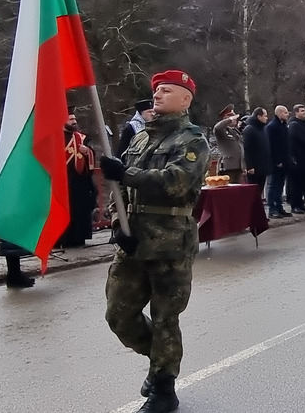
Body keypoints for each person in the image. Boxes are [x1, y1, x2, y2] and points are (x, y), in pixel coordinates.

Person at [99, 70, 210, 413]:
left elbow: (175, 182)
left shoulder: (193, 140)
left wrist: (124, 172)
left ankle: (164, 385)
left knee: (165, 317)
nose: (157, 95)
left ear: (185, 98)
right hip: (133, 240)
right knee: (118, 314)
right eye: (156, 90)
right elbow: (119, 192)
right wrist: (118, 224)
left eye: (166, 90)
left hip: (169, 242)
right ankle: (162, 358)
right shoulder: (140, 139)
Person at [58, 109, 97, 248]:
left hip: (79, 182)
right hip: (61, 182)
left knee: (79, 211)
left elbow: (92, 154)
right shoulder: (55, 137)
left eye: (75, 119)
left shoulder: (82, 138)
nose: (74, 121)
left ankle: (79, 237)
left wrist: (88, 152)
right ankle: (62, 239)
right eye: (70, 119)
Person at [287, 104, 305, 214]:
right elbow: (299, 138)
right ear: (296, 113)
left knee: (302, 182)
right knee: (295, 183)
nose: (304, 113)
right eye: (302, 111)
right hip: (297, 158)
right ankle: (295, 204)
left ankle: (301, 203)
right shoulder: (294, 125)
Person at [264, 105, 292, 219]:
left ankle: (279, 207)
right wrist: (277, 160)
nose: (287, 114)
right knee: (273, 185)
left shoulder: (284, 126)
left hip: (285, 161)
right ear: (278, 113)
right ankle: (272, 208)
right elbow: (272, 146)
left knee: (280, 185)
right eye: (285, 112)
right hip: (276, 162)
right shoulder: (272, 127)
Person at [242, 107, 272, 193]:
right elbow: (247, 149)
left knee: (260, 190)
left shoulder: (263, 129)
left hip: (263, 166)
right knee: (253, 191)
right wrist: (250, 166)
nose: (267, 118)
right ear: (259, 116)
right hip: (254, 168)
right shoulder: (249, 129)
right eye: (265, 116)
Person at [213, 104, 245, 183]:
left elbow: (240, 145)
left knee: (237, 192)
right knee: (227, 191)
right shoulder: (221, 131)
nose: (235, 120)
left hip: (238, 166)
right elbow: (217, 127)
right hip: (227, 166)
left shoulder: (234, 131)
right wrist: (230, 119)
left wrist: (244, 166)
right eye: (233, 119)